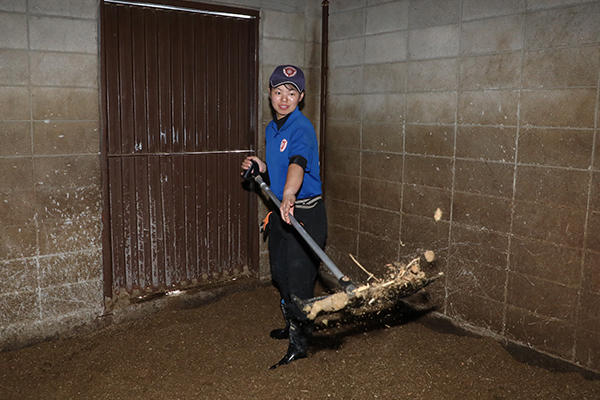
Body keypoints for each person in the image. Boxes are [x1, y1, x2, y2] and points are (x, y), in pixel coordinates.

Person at [241, 65, 326, 369]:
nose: (284, 98)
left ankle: (300, 343)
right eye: (278, 92)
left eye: (291, 93)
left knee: (299, 280)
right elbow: (282, 162)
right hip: (281, 213)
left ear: (300, 97)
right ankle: (294, 324)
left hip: (304, 213)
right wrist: (263, 167)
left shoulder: (301, 127)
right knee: (281, 275)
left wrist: (289, 193)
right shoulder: (272, 127)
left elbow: (298, 163)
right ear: (270, 94)